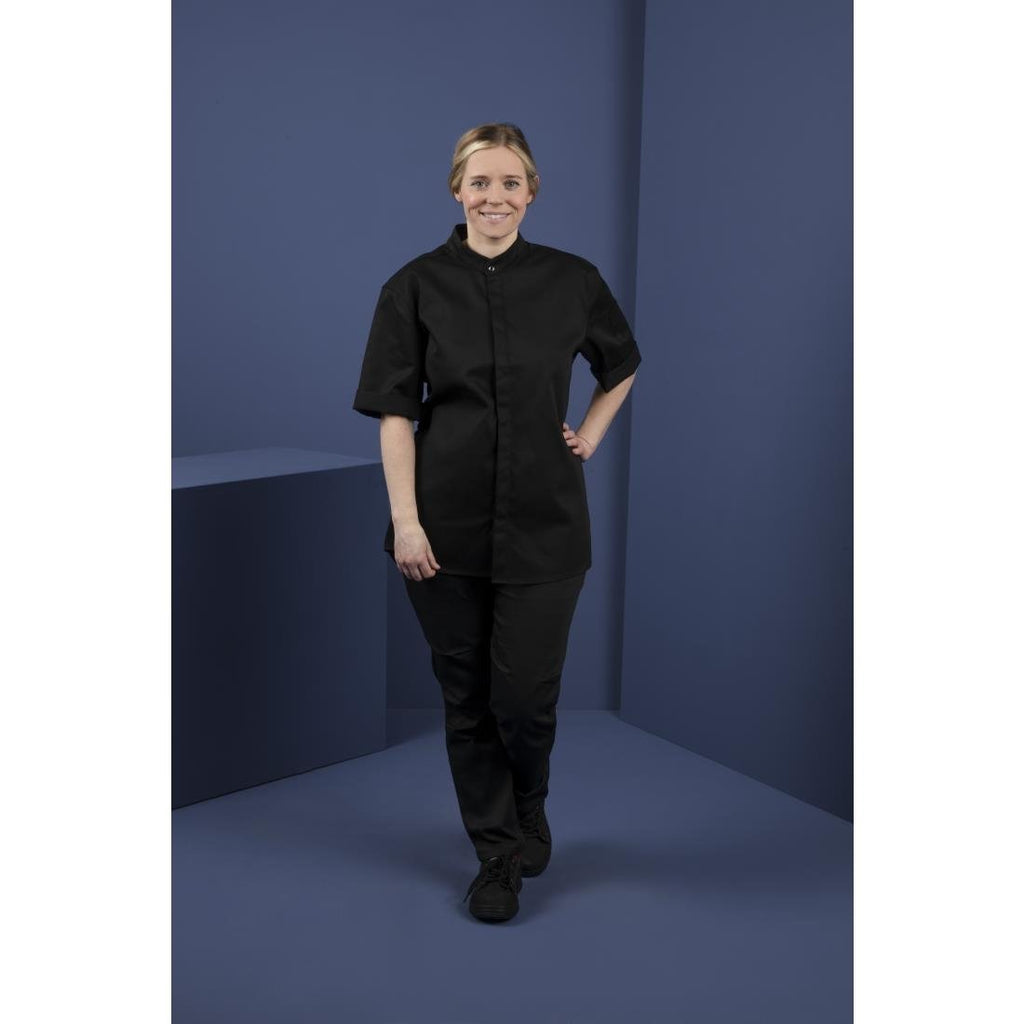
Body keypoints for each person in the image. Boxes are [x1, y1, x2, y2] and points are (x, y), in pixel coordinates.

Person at [352, 122, 641, 922]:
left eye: (510, 182)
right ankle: (496, 855)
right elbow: (394, 415)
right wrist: (406, 522)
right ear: (456, 189)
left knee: (525, 697)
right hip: (440, 529)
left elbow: (621, 364)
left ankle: (528, 804)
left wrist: (590, 433)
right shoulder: (412, 287)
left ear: (531, 192)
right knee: (468, 699)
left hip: (548, 525)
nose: (494, 196)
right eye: (479, 182)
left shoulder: (573, 281)